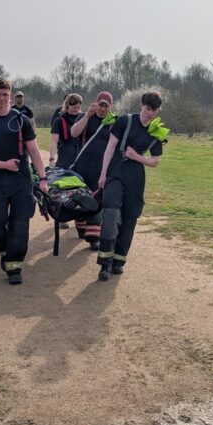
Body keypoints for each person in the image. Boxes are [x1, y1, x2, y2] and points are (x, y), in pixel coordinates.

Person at [0, 78, 50, 285]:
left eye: (5, 94)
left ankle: (14, 266)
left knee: (20, 222)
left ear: (10, 95)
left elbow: (34, 151)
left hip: (21, 178)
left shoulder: (22, 120)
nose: (1, 98)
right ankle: (6, 252)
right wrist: (4, 165)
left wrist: (42, 179)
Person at [95, 91, 168, 282]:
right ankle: (105, 263)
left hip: (136, 177)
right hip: (115, 171)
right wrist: (103, 173)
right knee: (111, 212)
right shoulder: (124, 121)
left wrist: (136, 157)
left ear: (158, 110)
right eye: (147, 108)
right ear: (141, 105)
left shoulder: (157, 131)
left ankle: (118, 261)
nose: (150, 113)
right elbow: (110, 147)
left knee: (130, 217)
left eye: (154, 110)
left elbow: (154, 161)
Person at [69, 91, 115, 249]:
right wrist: (87, 116)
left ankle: (94, 237)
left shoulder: (114, 122)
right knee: (81, 198)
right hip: (82, 166)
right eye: (101, 105)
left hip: (100, 168)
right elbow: (74, 133)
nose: (103, 109)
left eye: (106, 106)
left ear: (110, 106)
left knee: (97, 199)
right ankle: (81, 225)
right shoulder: (85, 117)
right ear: (96, 103)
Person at [49, 93, 84, 169]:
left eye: (78, 107)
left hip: (81, 157)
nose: (76, 110)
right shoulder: (59, 121)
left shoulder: (84, 119)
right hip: (65, 158)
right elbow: (54, 142)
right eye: (74, 107)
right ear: (67, 105)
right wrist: (52, 159)